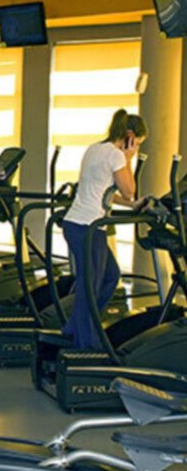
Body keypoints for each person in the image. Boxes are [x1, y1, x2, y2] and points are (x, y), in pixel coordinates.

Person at [61, 109, 147, 348]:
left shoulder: (94, 148)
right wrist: (130, 158)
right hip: (88, 227)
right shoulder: (117, 156)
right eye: (137, 143)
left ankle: (75, 327)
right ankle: (85, 343)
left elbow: (106, 192)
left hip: (77, 224)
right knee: (91, 286)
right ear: (130, 137)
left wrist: (133, 205)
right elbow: (129, 189)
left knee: (110, 276)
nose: (136, 147)